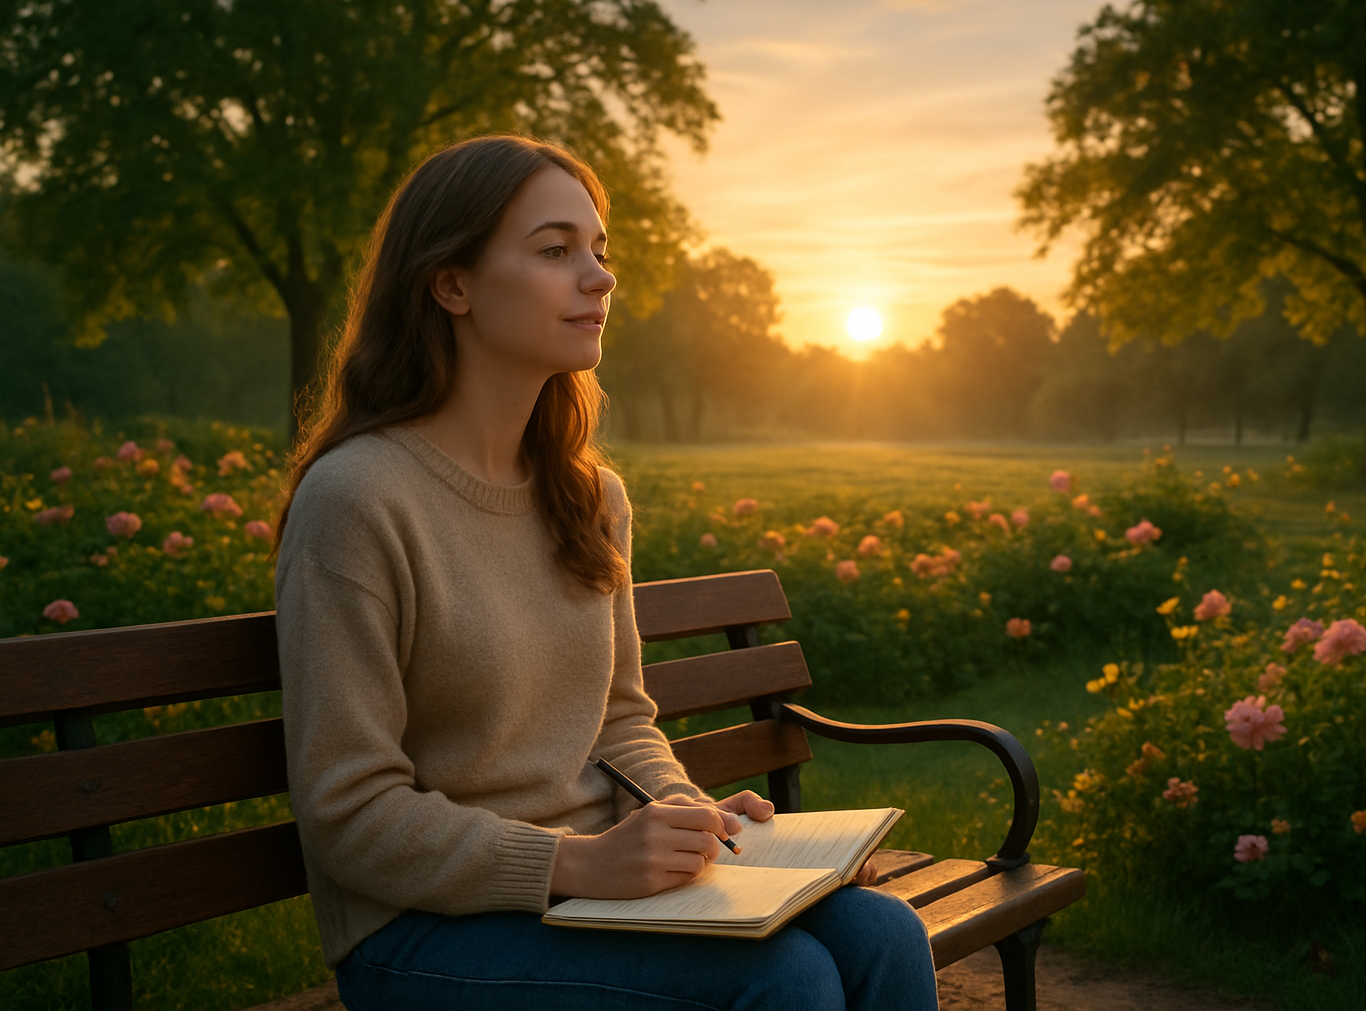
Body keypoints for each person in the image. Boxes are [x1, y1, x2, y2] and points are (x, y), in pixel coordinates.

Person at [272, 134, 940, 1011]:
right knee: (786, 981)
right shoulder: (357, 500)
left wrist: (693, 820)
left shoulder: (588, 496)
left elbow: (620, 721)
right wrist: (575, 861)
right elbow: (347, 809)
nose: (600, 277)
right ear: (452, 284)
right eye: (555, 251)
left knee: (884, 936)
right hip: (419, 932)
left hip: (587, 884)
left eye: (598, 250)